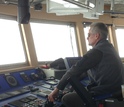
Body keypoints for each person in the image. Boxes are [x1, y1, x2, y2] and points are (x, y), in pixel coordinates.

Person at [48, 22, 124, 107]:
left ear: (96, 36)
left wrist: (57, 89)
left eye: (89, 34)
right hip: (117, 89)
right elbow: (85, 72)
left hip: (106, 91)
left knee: (66, 98)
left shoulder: (96, 51)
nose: (87, 37)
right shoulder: (109, 47)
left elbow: (73, 71)